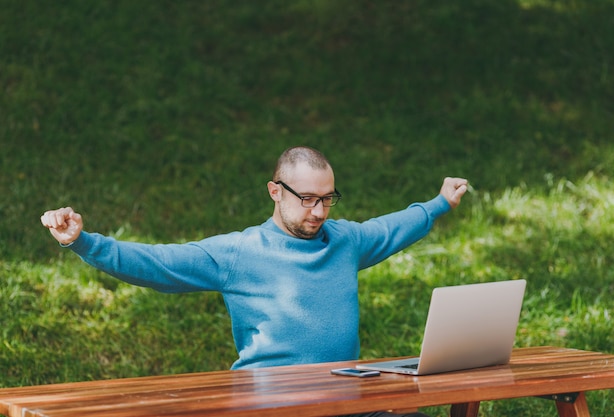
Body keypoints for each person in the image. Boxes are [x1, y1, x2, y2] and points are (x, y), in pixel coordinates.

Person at [41, 146, 468, 417]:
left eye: (327, 199)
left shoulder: (345, 241)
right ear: (274, 191)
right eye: (306, 199)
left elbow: (392, 227)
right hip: (272, 404)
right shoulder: (238, 253)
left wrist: (438, 204)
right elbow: (158, 263)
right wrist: (83, 241)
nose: (318, 211)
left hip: (345, 400)